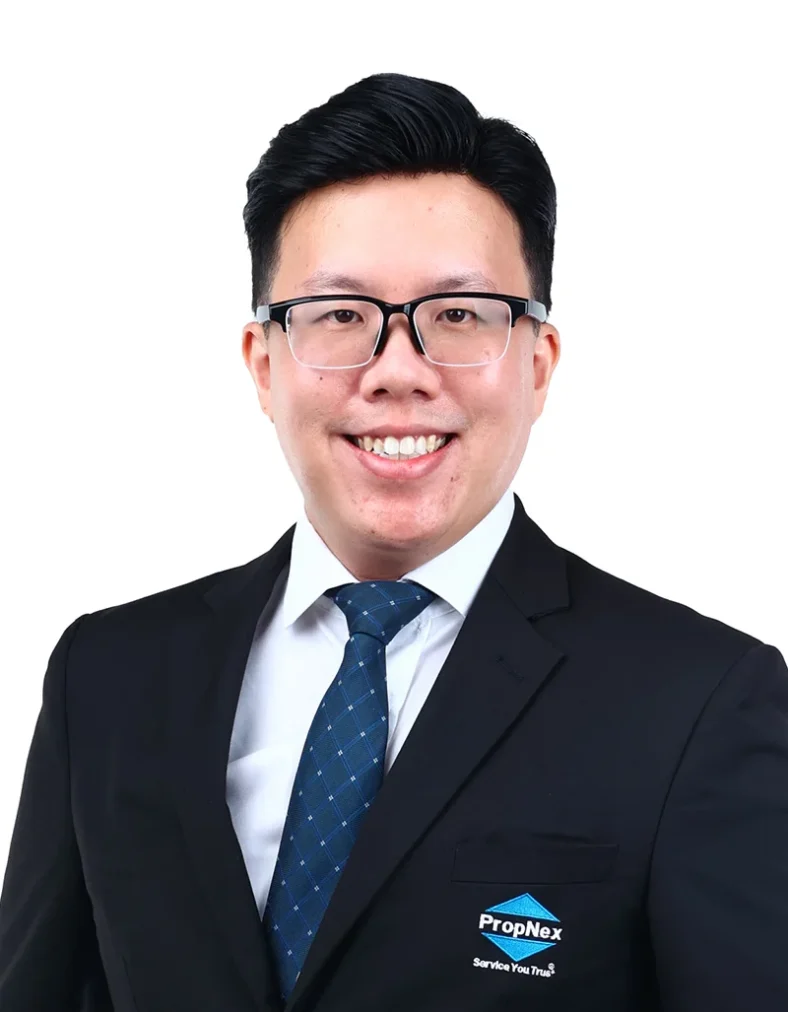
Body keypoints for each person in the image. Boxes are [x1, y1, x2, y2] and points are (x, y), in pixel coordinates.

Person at [0, 71, 786, 1012]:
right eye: (340, 316)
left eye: (458, 315)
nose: (398, 372)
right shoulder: (107, 675)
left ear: (538, 365)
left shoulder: (701, 702)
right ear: (263, 365)